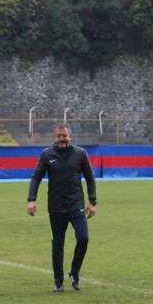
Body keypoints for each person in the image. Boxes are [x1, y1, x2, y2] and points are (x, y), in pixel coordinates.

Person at [27, 123, 97, 292]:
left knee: (83, 238)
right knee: (57, 244)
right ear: (54, 137)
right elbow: (36, 177)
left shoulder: (81, 154)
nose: (62, 139)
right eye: (59, 136)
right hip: (56, 208)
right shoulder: (47, 154)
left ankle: (74, 272)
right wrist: (31, 200)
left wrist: (92, 202)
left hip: (76, 206)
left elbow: (90, 177)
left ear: (70, 136)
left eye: (64, 135)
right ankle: (58, 281)